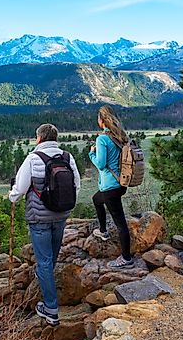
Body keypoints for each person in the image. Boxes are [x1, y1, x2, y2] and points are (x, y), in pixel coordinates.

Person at [10, 123, 81, 326]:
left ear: (39, 138)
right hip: (60, 215)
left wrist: (11, 195)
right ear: (55, 138)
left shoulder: (33, 158)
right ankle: (46, 285)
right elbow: (77, 184)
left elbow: (21, 187)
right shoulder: (67, 157)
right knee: (51, 259)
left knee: (44, 263)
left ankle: (50, 309)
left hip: (39, 218)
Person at [89, 105, 134, 269]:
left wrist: (91, 154)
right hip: (121, 183)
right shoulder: (119, 136)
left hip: (110, 187)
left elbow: (101, 164)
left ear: (101, 121)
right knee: (96, 199)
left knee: (121, 224)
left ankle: (126, 258)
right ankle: (102, 230)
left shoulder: (102, 139)